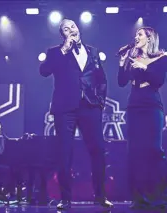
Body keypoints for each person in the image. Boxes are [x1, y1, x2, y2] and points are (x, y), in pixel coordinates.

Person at [39, 18, 113, 209]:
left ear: (78, 29)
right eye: (66, 28)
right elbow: (44, 71)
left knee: (98, 150)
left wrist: (101, 102)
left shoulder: (93, 51)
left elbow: (101, 79)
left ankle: (100, 195)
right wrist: (64, 48)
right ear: (62, 34)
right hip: (65, 109)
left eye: (73, 26)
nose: (71, 29)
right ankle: (65, 198)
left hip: (90, 106)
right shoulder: (55, 52)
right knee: (65, 153)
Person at [117, 26, 167, 210]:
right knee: (135, 152)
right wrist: (122, 63)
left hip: (151, 105)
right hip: (135, 105)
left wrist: (143, 67)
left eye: (140, 34)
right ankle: (140, 197)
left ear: (149, 38)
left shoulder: (162, 57)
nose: (136, 37)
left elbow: (158, 81)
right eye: (136, 34)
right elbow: (121, 82)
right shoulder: (132, 57)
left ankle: (164, 196)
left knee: (153, 150)